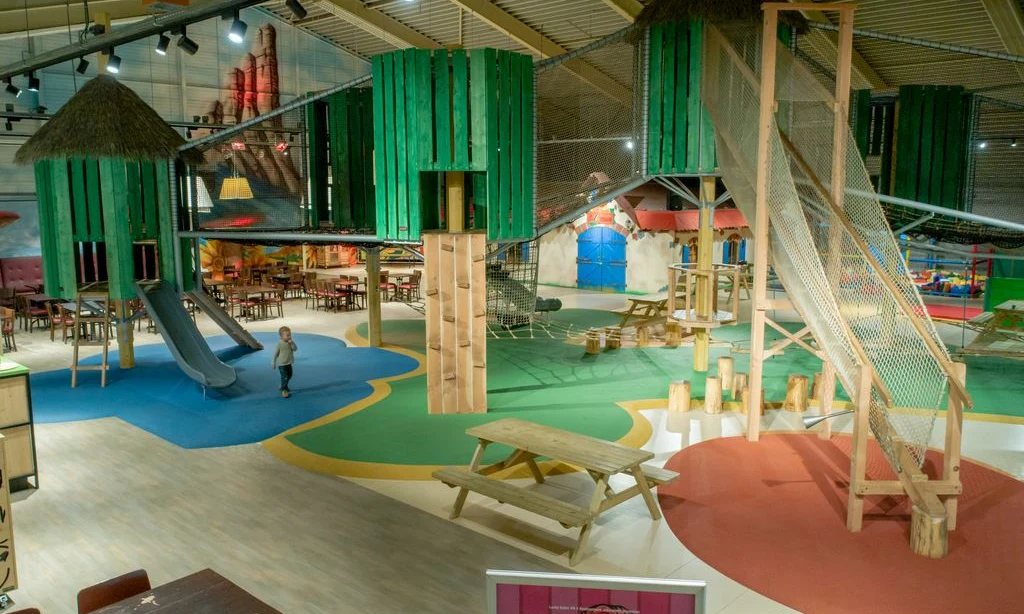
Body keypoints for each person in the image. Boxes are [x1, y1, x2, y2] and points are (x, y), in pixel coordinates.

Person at [272, 326, 298, 398]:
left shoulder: (290, 342)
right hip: (281, 364)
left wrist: (292, 343)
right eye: (287, 335)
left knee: (290, 375)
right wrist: (273, 362)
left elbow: (295, 349)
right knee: (285, 376)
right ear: (281, 336)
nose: (289, 336)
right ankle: (284, 390)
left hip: (288, 362)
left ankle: (282, 384)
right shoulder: (280, 344)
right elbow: (275, 354)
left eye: (290, 335)